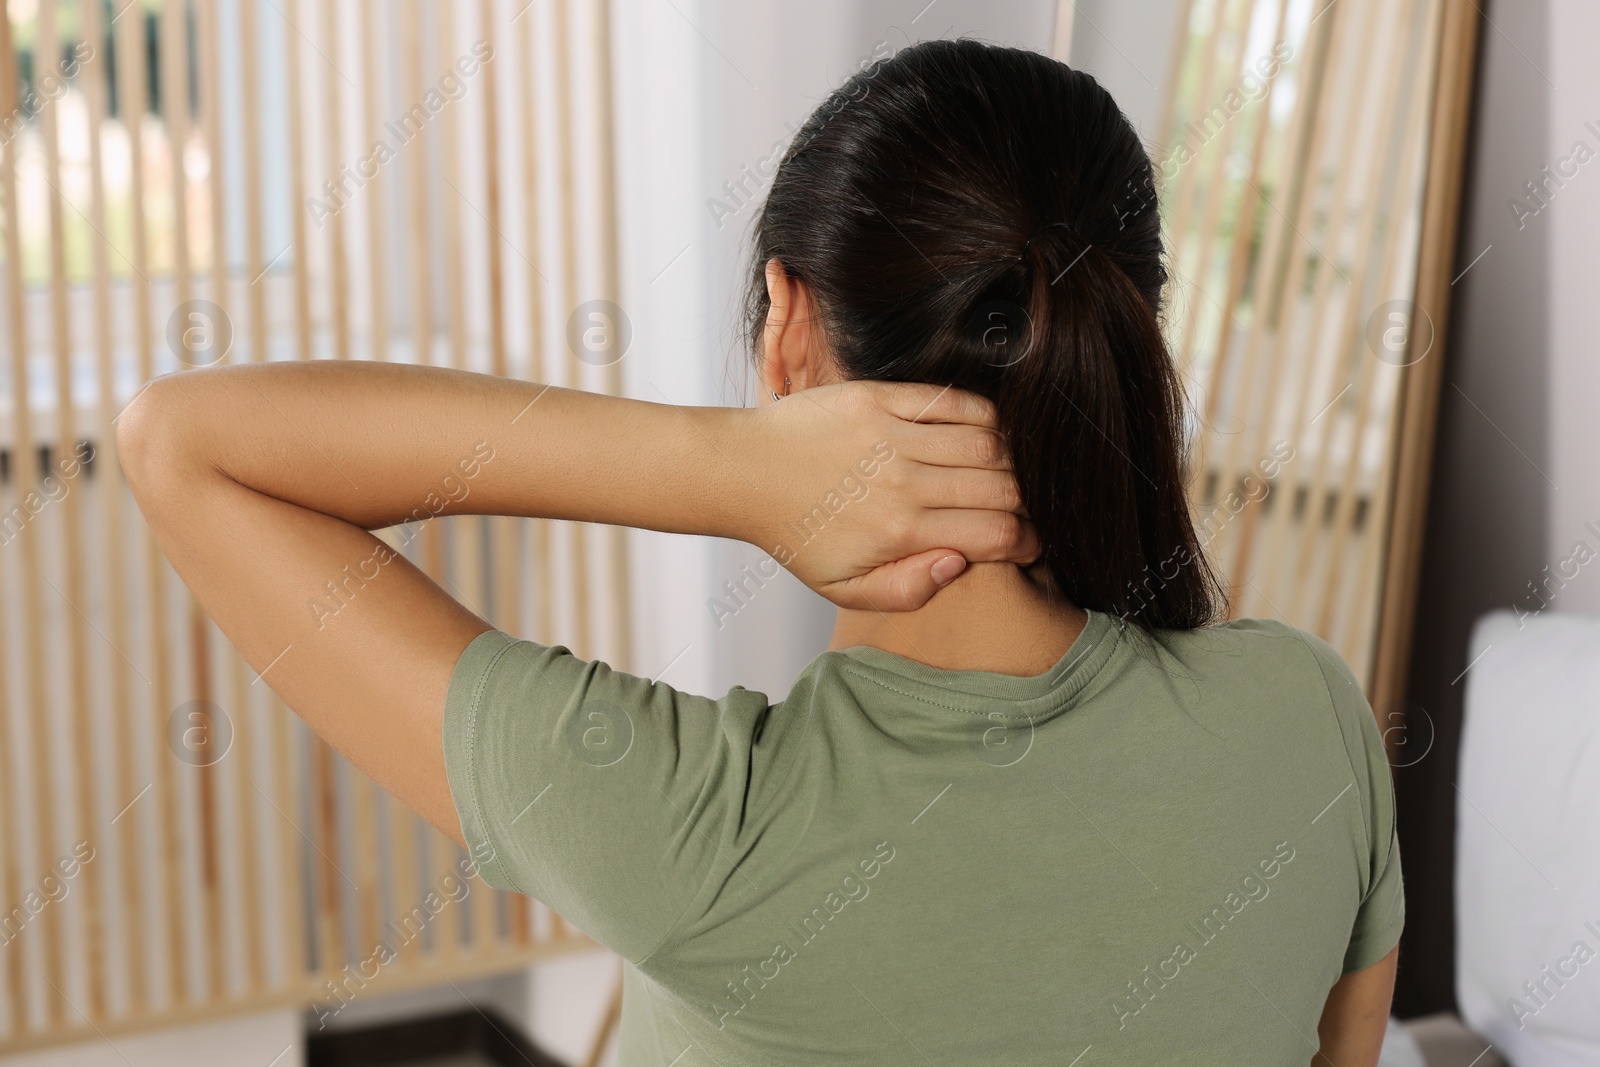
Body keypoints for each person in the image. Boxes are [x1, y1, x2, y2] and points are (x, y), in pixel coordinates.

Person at [119, 38, 1401, 1067]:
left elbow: (182, 442)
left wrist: (729, 468)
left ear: (788, 323)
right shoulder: (1307, 717)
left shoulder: (696, 831)